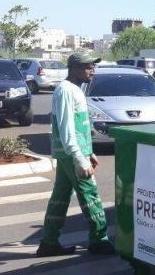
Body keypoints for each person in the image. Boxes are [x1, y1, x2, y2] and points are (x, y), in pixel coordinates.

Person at [36, 53, 115, 257]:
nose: (92, 71)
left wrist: (89, 152)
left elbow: (80, 126)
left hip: (73, 154)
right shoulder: (65, 91)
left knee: (60, 198)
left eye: (92, 67)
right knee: (90, 196)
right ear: (75, 69)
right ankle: (99, 240)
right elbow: (66, 128)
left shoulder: (74, 90)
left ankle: (49, 242)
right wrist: (79, 157)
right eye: (88, 67)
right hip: (72, 156)